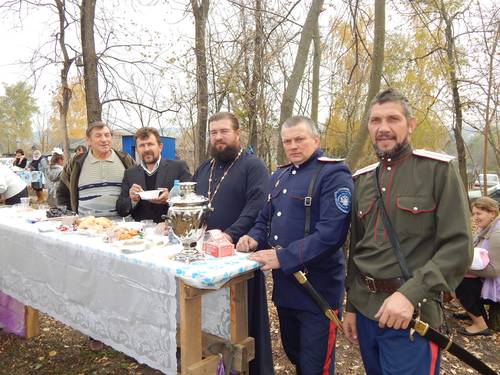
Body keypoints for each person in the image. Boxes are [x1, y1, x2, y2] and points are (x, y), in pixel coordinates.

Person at [343, 88, 472, 374]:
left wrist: (409, 294)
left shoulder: (438, 171)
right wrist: (351, 306)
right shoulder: (362, 180)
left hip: (412, 314)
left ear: (410, 124)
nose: (383, 128)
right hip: (366, 311)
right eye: (376, 121)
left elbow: (458, 248)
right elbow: (358, 250)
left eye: (393, 119)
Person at [237, 115, 353, 375]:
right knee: (294, 354)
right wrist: (254, 237)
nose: (293, 146)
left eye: (299, 139)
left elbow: (331, 234)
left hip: (317, 290)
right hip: (286, 288)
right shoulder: (280, 176)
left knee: (315, 367)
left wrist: (283, 258)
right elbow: (265, 218)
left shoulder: (333, 174)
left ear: (316, 139)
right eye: (287, 141)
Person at [193, 112, 273, 375]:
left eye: (224, 131)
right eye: (214, 132)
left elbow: (257, 207)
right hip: (205, 257)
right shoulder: (205, 168)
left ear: (238, 134)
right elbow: (195, 206)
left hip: (239, 259)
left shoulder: (254, 166)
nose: (218, 137)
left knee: (243, 323)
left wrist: (230, 234)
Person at [57, 121, 135, 216]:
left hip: (122, 227)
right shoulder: (75, 163)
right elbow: (62, 193)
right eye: (98, 136)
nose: (104, 139)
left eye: (107, 135)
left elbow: (139, 188)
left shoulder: (126, 160)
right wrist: (68, 216)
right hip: (86, 227)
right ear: (88, 140)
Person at [116, 127, 191, 223]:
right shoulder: (130, 173)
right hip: (141, 235)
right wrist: (132, 200)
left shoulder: (178, 167)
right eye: (142, 145)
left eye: (150, 144)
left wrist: (171, 198)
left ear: (160, 147)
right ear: (137, 149)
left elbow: (191, 200)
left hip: (171, 232)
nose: (146, 149)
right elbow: (121, 210)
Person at [455, 197, 500, 336]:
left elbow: (494, 271)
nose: (475, 218)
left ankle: (480, 325)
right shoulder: (486, 228)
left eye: (479, 214)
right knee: (457, 277)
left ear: (492, 213)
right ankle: (474, 312)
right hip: (489, 280)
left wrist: (463, 269)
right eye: (473, 214)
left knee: (459, 282)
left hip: (496, 283)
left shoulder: (497, 234)